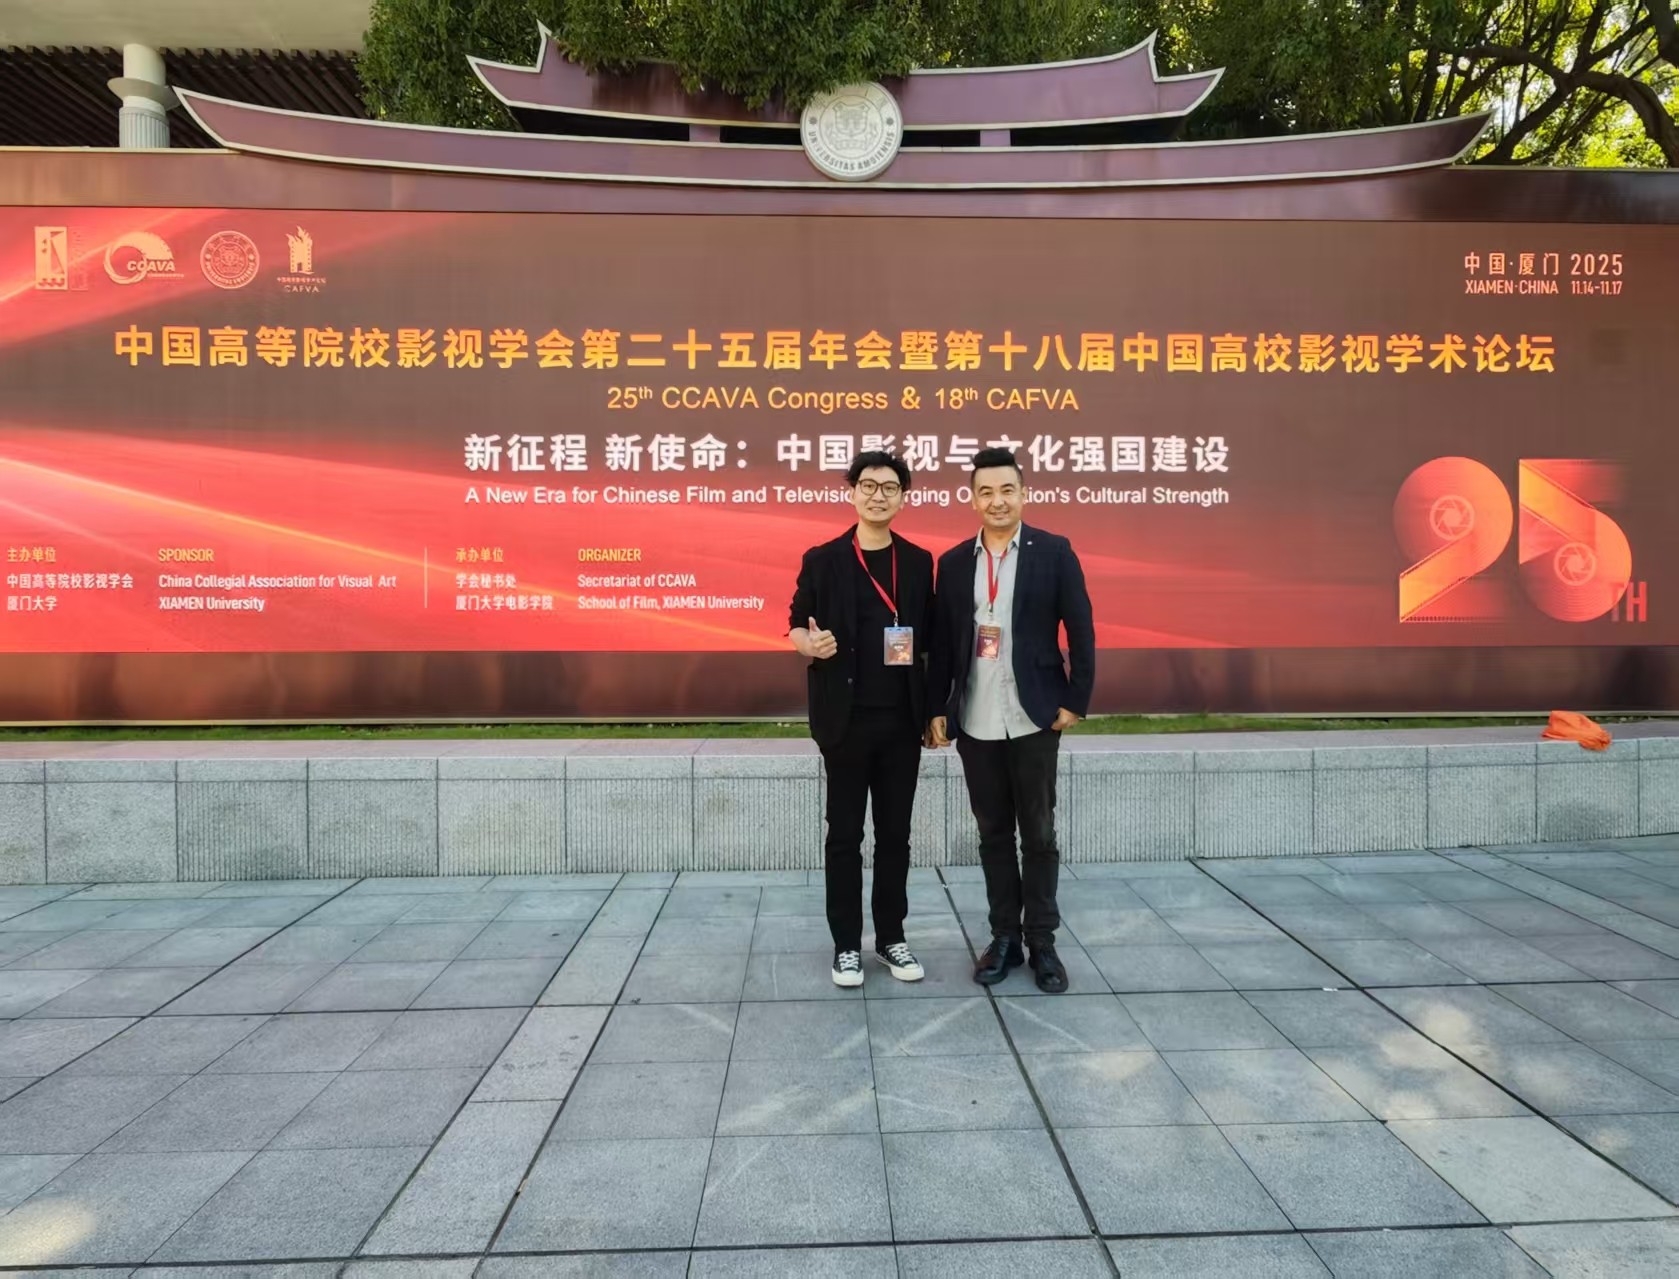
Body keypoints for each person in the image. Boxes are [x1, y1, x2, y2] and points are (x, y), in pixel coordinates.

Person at [928, 447, 1095, 993]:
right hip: (976, 717)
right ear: (972, 499)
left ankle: (1042, 940)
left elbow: (1081, 628)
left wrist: (1076, 698)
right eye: (986, 492)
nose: (997, 501)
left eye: (1007, 490)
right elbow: (943, 644)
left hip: (1034, 716)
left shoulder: (1054, 551)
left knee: (1039, 833)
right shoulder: (955, 563)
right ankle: (1005, 937)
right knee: (993, 832)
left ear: (1023, 494)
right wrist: (936, 708)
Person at [789, 450, 935, 988]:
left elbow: (929, 642)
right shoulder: (823, 559)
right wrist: (810, 643)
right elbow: (795, 623)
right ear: (852, 493)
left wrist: (934, 711)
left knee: (895, 835)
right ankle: (846, 945)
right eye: (868, 485)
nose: (878, 495)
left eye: (889, 487)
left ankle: (891, 938)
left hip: (901, 724)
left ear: (903, 498)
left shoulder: (917, 562)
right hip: (844, 722)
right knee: (844, 836)